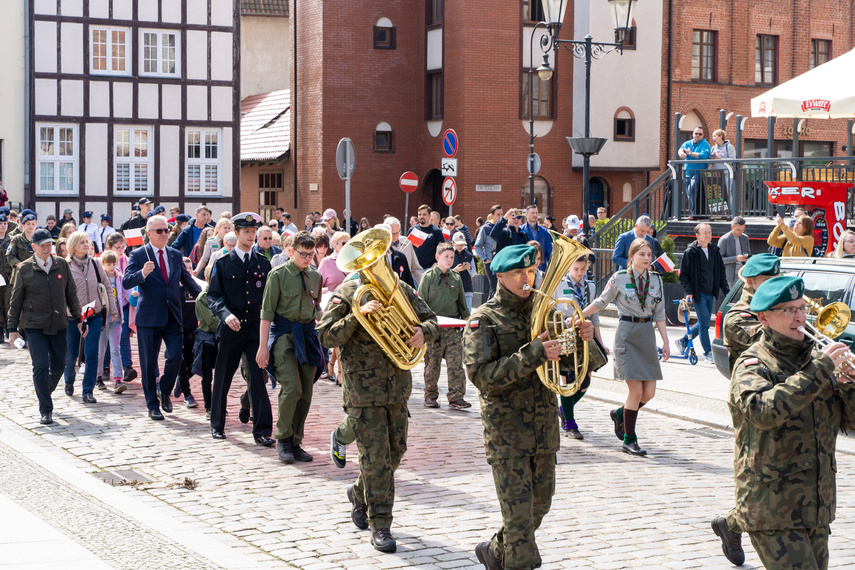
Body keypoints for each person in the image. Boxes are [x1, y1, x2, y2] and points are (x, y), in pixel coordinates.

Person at [463, 244, 594, 570]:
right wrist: (533, 353)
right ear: (501, 275)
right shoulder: (483, 320)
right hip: (507, 434)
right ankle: (513, 559)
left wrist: (582, 339)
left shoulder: (547, 312)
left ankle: (495, 551)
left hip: (544, 429)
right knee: (520, 522)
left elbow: (573, 368)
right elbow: (482, 377)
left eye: (531, 271)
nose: (527, 278)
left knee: (540, 505)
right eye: (519, 273)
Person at [727, 274, 855, 570]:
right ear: (764, 318)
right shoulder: (754, 363)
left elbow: (848, 421)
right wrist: (820, 369)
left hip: (816, 505)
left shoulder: (815, 361)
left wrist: (849, 385)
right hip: (772, 506)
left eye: (801, 308)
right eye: (789, 310)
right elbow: (762, 412)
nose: (800, 317)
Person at [318, 241, 438, 554]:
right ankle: (381, 524)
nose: (377, 262)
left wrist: (424, 331)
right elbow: (325, 334)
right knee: (377, 461)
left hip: (397, 387)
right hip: (363, 391)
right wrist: (356, 316)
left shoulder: (401, 288)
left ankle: (359, 494)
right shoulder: (347, 293)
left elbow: (432, 320)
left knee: (396, 452)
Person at [709, 253, 781, 566]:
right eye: (770, 279)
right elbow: (775, 341)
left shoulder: (775, 307)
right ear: (751, 282)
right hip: (752, 399)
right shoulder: (741, 314)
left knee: (781, 471)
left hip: (783, 397)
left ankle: (732, 523)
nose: (776, 284)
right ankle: (735, 523)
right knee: (758, 473)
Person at [583, 238, 669, 457]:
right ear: (631, 257)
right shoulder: (619, 278)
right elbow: (601, 302)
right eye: (642, 254)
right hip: (627, 335)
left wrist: (665, 341)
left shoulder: (655, 280)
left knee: (649, 393)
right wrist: (579, 314)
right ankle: (630, 440)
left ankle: (621, 414)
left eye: (649, 255)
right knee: (636, 390)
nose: (647, 258)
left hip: (647, 336)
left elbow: (659, 313)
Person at [123, 215, 202, 421]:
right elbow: (126, 281)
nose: (164, 234)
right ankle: (152, 405)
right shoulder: (139, 254)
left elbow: (189, 282)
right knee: (149, 364)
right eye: (159, 231)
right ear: (148, 233)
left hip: (173, 315)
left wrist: (205, 298)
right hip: (149, 316)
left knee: (176, 356)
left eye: (166, 230)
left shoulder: (175, 254)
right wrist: (142, 273)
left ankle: (164, 390)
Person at [256, 230, 324, 463]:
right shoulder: (278, 275)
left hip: (307, 335)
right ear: (292, 251)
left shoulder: (315, 275)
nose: (307, 258)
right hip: (284, 335)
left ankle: (296, 441)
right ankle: (283, 438)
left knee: (305, 391)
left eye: (311, 254)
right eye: (303, 254)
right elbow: (266, 314)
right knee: (291, 387)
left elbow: (317, 306)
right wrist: (263, 347)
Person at [207, 213, 274, 445]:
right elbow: (213, 297)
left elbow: (267, 298)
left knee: (258, 378)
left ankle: (263, 431)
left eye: (253, 231)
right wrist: (225, 315)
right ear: (236, 234)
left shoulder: (263, 263)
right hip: (231, 327)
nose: (251, 235)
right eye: (246, 232)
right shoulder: (223, 263)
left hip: (255, 328)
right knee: (224, 376)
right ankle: (217, 425)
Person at [8, 229, 82, 424]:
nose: (47, 248)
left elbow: (71, 295)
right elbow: (15, 302)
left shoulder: (61, 265)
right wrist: (12, 330)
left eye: (50, 244)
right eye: (43, 245)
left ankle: (43, 390)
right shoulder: (24, 269)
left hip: (59, 324)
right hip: (35, 327)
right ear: (33, 247)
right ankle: (45, 410)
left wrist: (79, 319)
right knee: (40, 366)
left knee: (59, 365)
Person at [556, 256, 608, 440]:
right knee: (569, 379)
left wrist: (601, 343)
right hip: (566, 337)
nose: (579, 273)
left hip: (586, 337)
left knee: (585, 383)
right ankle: (570, 423)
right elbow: (552, 312)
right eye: (576, 269)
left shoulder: (590, 286)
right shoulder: (559, 285)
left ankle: (563, 409)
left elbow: (594, 316)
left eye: (583, 269)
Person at [64, 231, 115, 403]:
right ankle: (69, 380)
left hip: (93, 314)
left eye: (87, 241)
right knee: (71, 355)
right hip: (72, 317)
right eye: (82, 242)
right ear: (73, 246)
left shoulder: (95, 263)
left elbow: (107, 286)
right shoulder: (65, 265)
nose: (86, 244)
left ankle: (88, 391)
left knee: (92, 352)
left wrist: (113, 309)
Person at [419, 242, 471, 409]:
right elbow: (420, 304)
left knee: (456, 364)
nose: (449, 260)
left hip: (453, 328)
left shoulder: (456, 278)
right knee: (431, 364)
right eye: (446, 257)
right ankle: (430, 395)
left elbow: (463, 305)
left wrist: (468, 324)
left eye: (452, 257)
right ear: (437, 257)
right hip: (433, 328)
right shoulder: (428, 277)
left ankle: (456, 396)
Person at [675, 223, 730, 364]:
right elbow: (684, 275)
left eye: (710, 232)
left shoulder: (714, 251)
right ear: (697, 235)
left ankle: (684, 340)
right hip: (698, 293)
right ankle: (708, 352)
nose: (708, 235)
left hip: (710, 291)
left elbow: (721, 273)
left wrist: (727, 291)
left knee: (703, 321)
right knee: (705, 323)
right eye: (705, 232)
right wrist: (689, 292)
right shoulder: (691, 252)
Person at [103, 233, 137, 383]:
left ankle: (127, 367)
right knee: (105, 340)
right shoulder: (102, 263)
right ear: (109, 248)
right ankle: (104, 368)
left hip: (123, 305)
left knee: (121, 338)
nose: (122, 249)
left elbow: (128, 283)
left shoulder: (128, 261)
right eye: (118, 247)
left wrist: (133, 296)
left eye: (124, 246)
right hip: (106, 309)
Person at [96, 250, 127, 394]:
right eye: (108, 264)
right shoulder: (99, 279)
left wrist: (134, 295)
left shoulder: (119, 277)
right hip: (102, 319)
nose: (111, 266)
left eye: (113, 263)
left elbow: (125, 292)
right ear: (102, 264)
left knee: (115, 348)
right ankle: (98, 376)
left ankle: (117, 379)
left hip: (116, 319)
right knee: (100, 349)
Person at [194, 265, 219, 418]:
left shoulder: (222, 294)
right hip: (206, 339)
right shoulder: (203, 297)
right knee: (207, 376)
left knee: (221, 375)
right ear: (208, 279)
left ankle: (218, 404)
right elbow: (212, 321)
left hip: (220, 340)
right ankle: (209, 406)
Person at [678, 126, 711, 219]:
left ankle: (692, 213)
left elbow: (704, 156)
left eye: (700, 134)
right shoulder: (687, 143)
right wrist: (682, 154)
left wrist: (690, 153)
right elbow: (681, 149)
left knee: (691, 190)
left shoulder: (705, 144)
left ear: (703, 135)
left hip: (699, 173)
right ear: (693, 134)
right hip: (688, 173)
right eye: (696, 133)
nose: (698, 135)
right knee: (689, 193)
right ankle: (693, 212)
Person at [407, 204, 446, 271]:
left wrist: (435, 265)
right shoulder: (412, 230)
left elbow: (442, 250)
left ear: (429, 216)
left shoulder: (436, 231)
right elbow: (408, 249)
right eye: (420, 214)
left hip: (430, 269)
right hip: (414, 270)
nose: (421, 216)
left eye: (424, 214)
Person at [386, 217, 423, 285]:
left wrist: (424, 284)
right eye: (392, 233)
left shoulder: (407, 243)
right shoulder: (382, 247)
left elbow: (415, 268)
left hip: (405, 286)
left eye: (397, 233)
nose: (395, 236)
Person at [474, 205, 502, 296]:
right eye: (498, 214)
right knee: (494, 289)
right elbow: (477, 245)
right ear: (492, 215)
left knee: (498, 290)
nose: (500, 217)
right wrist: (485, 259)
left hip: (502, 263)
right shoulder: (485, 228)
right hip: (491, 263)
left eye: (502, 214)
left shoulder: (505, 228)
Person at [710, 129, 737, 216]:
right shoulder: (713, 148)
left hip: (726, 174)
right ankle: (719, 212)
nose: (713, 138)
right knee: (717, 194)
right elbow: (710, 161)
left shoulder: (729, 147)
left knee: (728, 193)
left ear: (720, 136)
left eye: (715, 136)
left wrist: (720, 159)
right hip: (716, 174)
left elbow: (732, 160)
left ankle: (732, 212)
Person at [717, 216, 750, 287]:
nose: (741, 232)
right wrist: (736, 258)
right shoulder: (724, 239)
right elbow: (719, 260)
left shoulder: (745, 238)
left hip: (744, 273)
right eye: (738, 230)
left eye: (743, 229)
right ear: (732, 226)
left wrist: (748, 257)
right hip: (730, 276)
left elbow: (749, 253)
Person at [521, 205, 552, 270]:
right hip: (526, 270)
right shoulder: (520, 231)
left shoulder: (545, 232)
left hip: (541, 270)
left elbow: (550, 253)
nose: (535, 215)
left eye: (536, 213)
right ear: (526, 214)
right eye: (532, 213)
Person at [451, 232, 475, 310]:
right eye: (458, 244)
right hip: (452, 288)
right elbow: (443, 271)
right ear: (453, 243)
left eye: (462, 244)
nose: (460, 246)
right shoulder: (449, 255)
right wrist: (455, 270)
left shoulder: (469, 255)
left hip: (466, 287)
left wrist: (469, 268)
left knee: (467, 311)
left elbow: (474, 273)